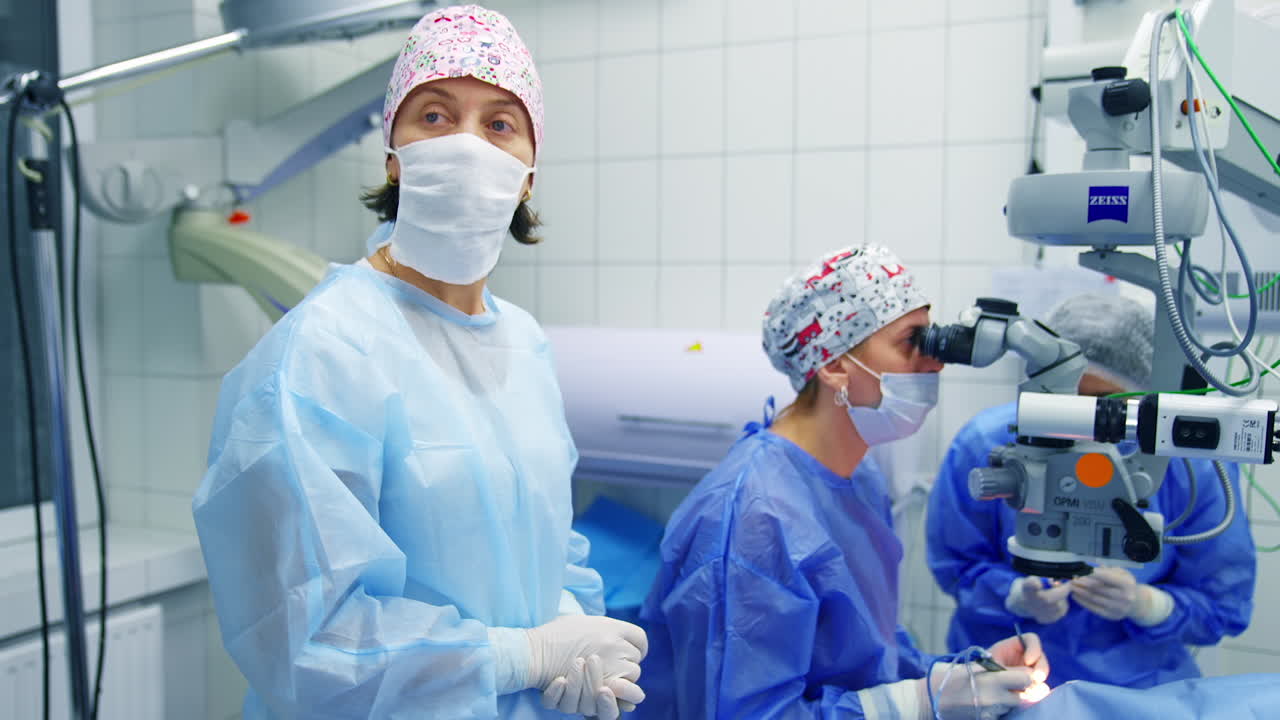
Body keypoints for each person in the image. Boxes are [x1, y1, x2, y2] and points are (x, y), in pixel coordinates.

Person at [192, 6, 647, 719]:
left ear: (528, 174)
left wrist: (568, 625)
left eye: (499, 124)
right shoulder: (322, 353)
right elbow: (301, 636)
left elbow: (546, 541)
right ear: (393, 156)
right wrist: (521, 656)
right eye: (435, 116)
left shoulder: (523, 345)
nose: (467, 146)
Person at [637, 246, 1048, 719]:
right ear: (833, 365)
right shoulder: (753, 518)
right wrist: (916, 703)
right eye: (912, 341)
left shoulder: (859, 478)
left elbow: (871, 659)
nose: (935, 363)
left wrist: (961, 676)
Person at [927, 293, 1256, 689]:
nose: (1078, 423)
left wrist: (1149, 606)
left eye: (1104, 407)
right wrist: (1013, 595)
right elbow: (956, 565)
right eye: (1064, 401)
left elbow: (1223, 603)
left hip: (1135, 691)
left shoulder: (1187, 465)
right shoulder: (985, 444)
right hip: (1001, 680)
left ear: (1142, 396)